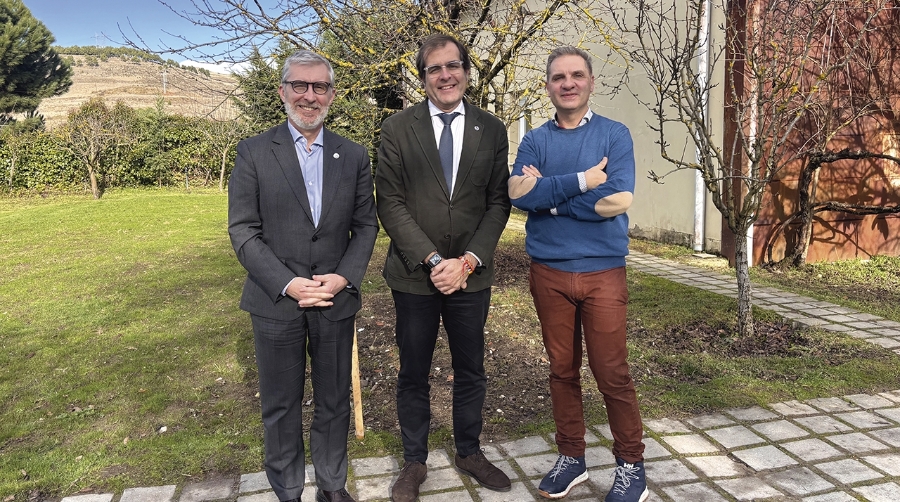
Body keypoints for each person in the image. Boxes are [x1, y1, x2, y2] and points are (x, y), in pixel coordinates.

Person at [228, 50, 378, 502]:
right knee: (280, 406)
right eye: (300, 85)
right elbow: (243, 230)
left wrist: (344, 277)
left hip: (334, 300)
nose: (310, 96)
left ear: (332, 94)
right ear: (283, 91)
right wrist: (288, 283)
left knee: (334, 403)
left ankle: (332, 485)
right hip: (276, 301)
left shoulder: (352, 155)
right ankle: (288, 489)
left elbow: (366, 224)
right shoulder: (254, 151)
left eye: (320, 87)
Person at [375, 34, 512, 502]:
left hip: (471, 277)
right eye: (434, 69)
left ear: (468, 73)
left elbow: (498, 203)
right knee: (413, 370)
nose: (445, 75)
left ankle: (468, 451)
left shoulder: (492, 130)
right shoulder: (396, 128)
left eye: (453, 65)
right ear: (423, 78)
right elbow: (389, 204)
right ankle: (414, 461)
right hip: (416, 276)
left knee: (470, 367)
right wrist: (436, 261)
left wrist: (468, 261)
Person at [508, 46, 648, 502]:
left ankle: (631, 466)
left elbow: (617, 201)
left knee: (611, 372)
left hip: (603, 273)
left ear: (590, 82)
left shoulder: (614, 135)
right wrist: (585, 181)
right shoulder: (533, 140)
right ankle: (573, 459)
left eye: (576, 75)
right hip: (548, 272)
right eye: (558, 77)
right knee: (561, 371)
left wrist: (547, 194)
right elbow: (517, 194)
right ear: (548, 85)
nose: (567, 83)